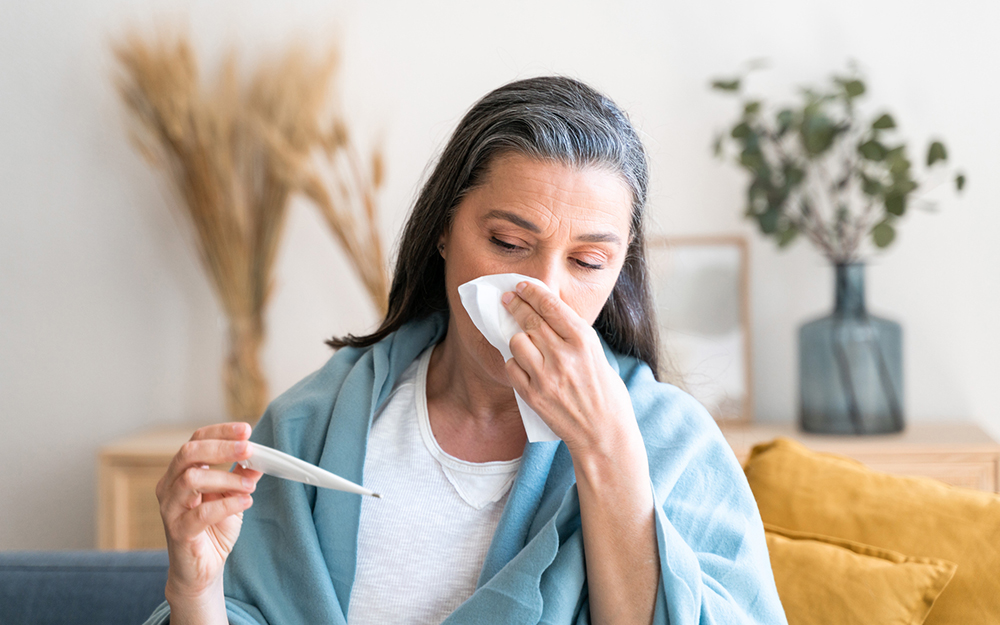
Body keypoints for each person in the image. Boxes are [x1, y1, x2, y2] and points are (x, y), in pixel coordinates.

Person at [144, 76, 787, 625]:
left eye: (589, 260)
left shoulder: (674, 447)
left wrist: (606, 449)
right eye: (509, 243)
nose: (544, 291)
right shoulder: (311, 427)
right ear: (445, 233)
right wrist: (196, 588)